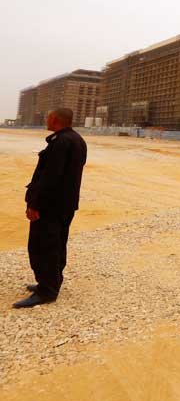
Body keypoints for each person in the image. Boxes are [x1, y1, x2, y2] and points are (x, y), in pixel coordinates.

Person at [14, 108, 87, 308]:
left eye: (48, 117)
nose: (47, 120)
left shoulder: (61, 142)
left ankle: (47, 290)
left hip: (51, 206)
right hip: (64, 205)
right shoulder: (76, 139)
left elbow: (50, 178)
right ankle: (52, 282)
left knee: (43, 246)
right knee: (56, 244)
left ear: (54, 119)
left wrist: (35, 204)